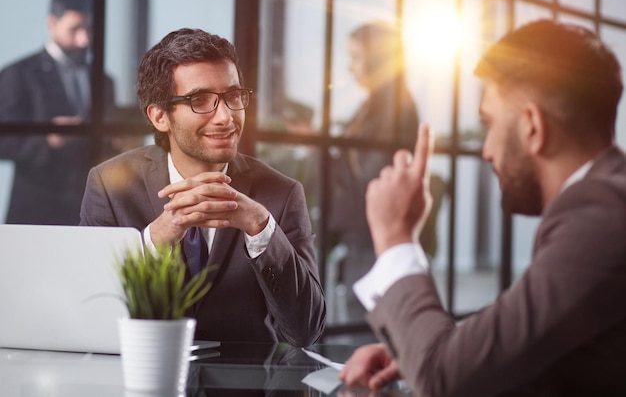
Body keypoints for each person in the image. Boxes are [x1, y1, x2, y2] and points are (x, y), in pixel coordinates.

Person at [339, 19, 626, 396]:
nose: (487, 149)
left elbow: (448, 379)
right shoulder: (606, 201)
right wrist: (424, 346)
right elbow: (552, 342)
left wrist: (396, 238)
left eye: (489, 123)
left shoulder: (598, 217)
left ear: (531, 127)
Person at [79, 28, 326, 346]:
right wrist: (154, 242)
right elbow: (90, 314)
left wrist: (262, 230)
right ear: (159, 116)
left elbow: (306, 331)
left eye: (234, 97)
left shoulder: (282, 193)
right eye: (200, 100)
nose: (226, 117)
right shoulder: (108, 185)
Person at [318, 21, 443, 322]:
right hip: (362, 238)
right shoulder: (374, 107)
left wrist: (323, 151)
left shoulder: (395, 109)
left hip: (372, 239)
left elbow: (369, 177)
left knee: (366, 340)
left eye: (356, 57)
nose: (350, 68)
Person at [0, 0, 116, 225]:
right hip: (36, 210)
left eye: (90, 29)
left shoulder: (103, 80)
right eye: (75, 29)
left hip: (90, 206)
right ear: (51, 23)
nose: (84, 39)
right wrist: (47, 141)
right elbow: (3, 141)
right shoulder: (18, 75)